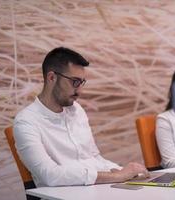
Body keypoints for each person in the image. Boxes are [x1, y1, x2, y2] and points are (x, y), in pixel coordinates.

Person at [14, 47, 149, 187]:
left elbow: (93, 157)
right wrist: (117, 176)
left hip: (94, 191)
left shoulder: (77, 110)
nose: (80, 90)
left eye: (82, 82)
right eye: (75, 82)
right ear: (52, 78)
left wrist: (127, 172)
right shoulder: (26, 122)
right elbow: (50, 175)